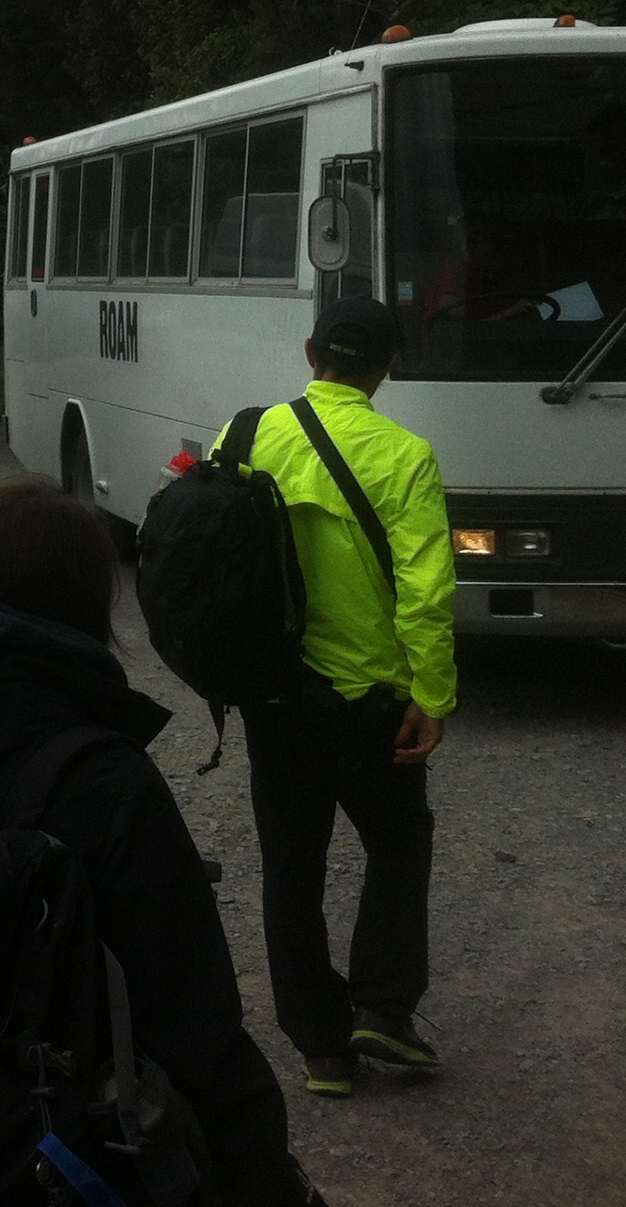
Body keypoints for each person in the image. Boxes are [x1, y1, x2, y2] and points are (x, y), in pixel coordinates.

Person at [0, 480, 317, 1207]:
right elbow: (191, 1017)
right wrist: (266, 1180)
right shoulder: (102, 775)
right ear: (86, 603)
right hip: (81, 1171)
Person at [231, 295, 454, 1099]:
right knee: (398, 843)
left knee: (292, 865)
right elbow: (425, 591)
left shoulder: (246, 436)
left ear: (310, 352)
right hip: (370, 700)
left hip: (273, 696)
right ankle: (383, 1010)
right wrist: (431, 694)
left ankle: (321, 1047)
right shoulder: (406, 455)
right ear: (389, 366)